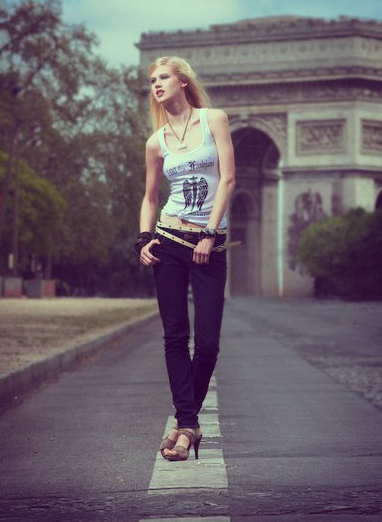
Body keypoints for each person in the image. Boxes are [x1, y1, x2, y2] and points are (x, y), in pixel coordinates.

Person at [136, 56, 235, 462]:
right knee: (175, 337)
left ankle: (185, 423)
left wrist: (210, 233)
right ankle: (188, 424)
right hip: (169, 241)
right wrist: (144, 239)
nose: (156, 84)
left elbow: (228, 179)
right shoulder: (155, 141)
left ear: (183, 81)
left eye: (164, 77)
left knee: (207, 343)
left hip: (209, 243)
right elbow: (150, 197)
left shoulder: (214, 120)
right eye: (152, 80)